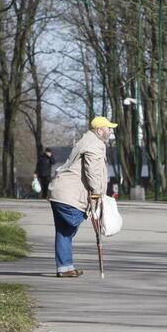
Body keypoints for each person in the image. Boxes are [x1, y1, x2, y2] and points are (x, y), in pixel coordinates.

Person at [48, 116, 117, 277]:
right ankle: (64, 266)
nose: (110, 131)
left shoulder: (86, 141)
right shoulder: (95, 144)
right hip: (68, 195)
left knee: (65, 231)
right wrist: (97, 193)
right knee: (73, 220)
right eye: (108, 128)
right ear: (100, 130)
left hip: (60, 193)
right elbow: (92, 171)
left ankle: (65, 267)